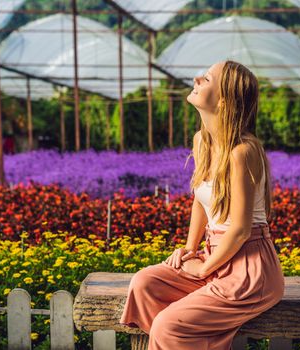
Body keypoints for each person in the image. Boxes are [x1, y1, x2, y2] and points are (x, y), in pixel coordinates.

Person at [119, 60, 285, 349]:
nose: (196, 78)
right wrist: (190, 250)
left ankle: (175, 335)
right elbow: (200, 201)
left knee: (168, 325)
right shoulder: (202, 141)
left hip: (249, 268)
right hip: (216, 255)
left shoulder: (243, 152)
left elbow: (241, 230)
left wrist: (205, 267)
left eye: (206, 79)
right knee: (144, 284)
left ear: (223, 101)